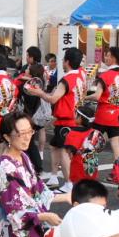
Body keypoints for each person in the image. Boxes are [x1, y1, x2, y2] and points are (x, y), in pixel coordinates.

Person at [0, 112, 67, 237]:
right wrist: (46, 216)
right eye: (21, 133)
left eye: (30, 131)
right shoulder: (5, 167)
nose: (27, 137)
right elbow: (16, 212)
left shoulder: (23, 157)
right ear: (6, 136)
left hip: (32, 229)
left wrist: (66, 197)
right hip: (18, 236)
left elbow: (37, 189)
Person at [24, 48, 87, 194]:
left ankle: (69, 184)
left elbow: (53, 99)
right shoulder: (81, 74)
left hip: (66, 120)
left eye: (63, 60)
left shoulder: (66, 80)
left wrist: (38, 92)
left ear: (67, 62)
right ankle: (54, 176)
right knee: (55, 147)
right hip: (73, 117)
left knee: (64, 152)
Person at [87, 47, 119, 172]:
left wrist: (84, 97)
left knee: (92, 143)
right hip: (117, 115)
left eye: (107, 55)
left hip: (103, 114)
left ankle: (90, 169)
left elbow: (97, 96)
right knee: (115, 144)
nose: (105, 58)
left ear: (113, 58)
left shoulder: (105, 75)